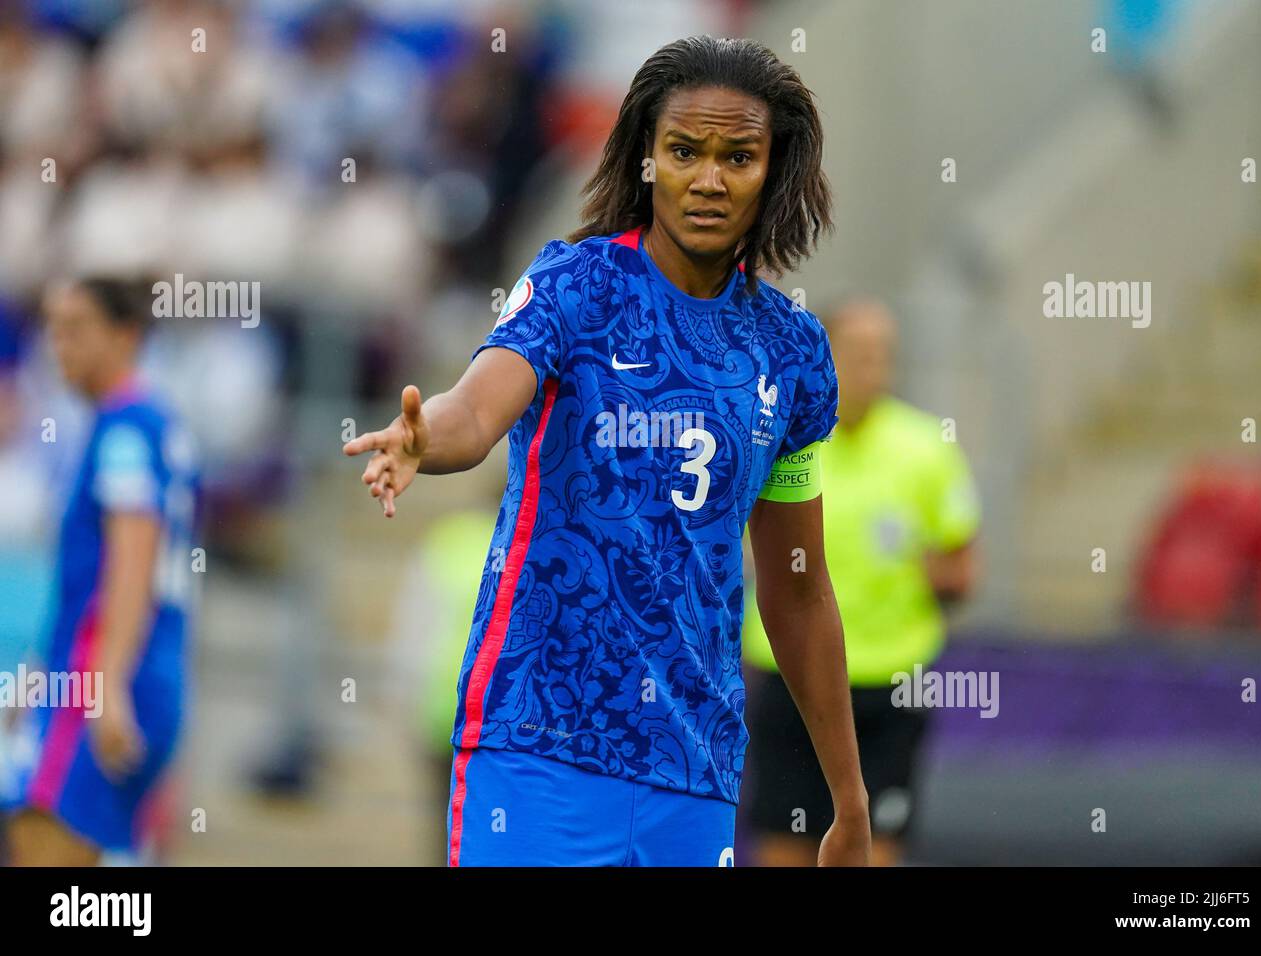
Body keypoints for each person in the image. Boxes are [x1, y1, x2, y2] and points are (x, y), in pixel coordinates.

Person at [345, 35, 871, 867]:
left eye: (738, 156)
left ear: (775, 171)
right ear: (646, 161)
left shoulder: (793, 351)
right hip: (538, 747)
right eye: (684, 151)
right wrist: (425, 437)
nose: (709, 178)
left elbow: (798, 591)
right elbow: (476, 411)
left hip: (694, 772)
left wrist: (849, 796)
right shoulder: (575, 287)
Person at [741, 300, 980, 867]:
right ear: (824, 356)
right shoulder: (782, 438)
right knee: (785, 840)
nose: (872, 369)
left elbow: (963, 567)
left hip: (889, 680)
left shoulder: (926, 448)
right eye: (858, 355)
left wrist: (924, 570)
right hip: (789, 675)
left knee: (874, 846)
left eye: (883, 357)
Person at [3, 278, 199, 865]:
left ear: (126, 335)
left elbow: (132, 559)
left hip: (97, 684)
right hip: (105, 675)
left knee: (45, 852)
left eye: (77, 328)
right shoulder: (150, 424)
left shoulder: (125, 430)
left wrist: (106, 687)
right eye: (53, 329)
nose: (60, 344)